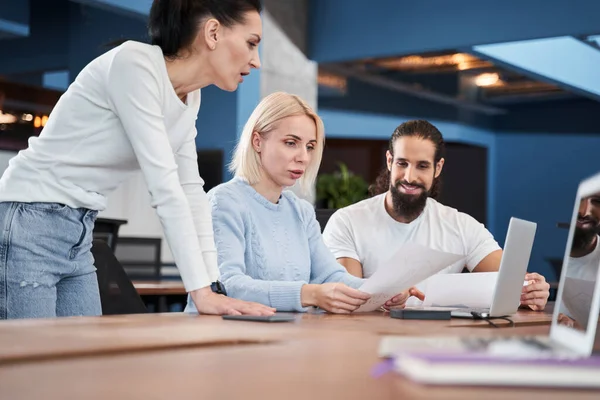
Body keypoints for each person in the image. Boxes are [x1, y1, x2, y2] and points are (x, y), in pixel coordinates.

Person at [0, 0, 275, 319]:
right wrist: (199, 292)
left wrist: (213, 285)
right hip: (29, 219)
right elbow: (165, 188)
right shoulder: (135, 65)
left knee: (81, 363)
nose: (256, 61)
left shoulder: (190, 96)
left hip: (79, 229)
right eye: (251, 43)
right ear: (213, 33)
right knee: (31, 364)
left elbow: (190, 191)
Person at [185, 92, 408, 314]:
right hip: (222, 335)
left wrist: (383, 291)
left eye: (310, 147)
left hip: (282, 335)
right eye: (291, 143)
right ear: (257, 141)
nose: (304, 157)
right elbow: (229, 286)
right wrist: (309, 294)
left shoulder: (300, 210)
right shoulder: (224, 201)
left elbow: (331, 276)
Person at [323, 120, 550, 310]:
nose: (410, 177)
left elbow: (511, 283)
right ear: (389, 161)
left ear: (438, 168)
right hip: (368, 342)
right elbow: (347, 299)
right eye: (402, 163)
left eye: (422, 166)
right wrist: (386, 297)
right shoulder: (347, 222)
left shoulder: (460, 225)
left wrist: (532, 289)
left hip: (439, 342)